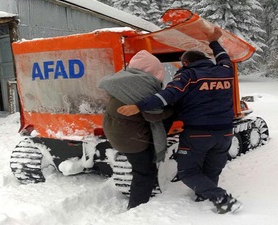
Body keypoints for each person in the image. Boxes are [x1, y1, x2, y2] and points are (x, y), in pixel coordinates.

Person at [117, 27, 242, 214]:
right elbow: (224, 56)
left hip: (198, 133)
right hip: (225, 132)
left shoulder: (188, 75)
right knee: (212, 168)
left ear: (185, 62)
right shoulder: (225, 71)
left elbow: (167, 94)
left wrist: (138, 106)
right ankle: (204, 195)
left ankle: (222, 198)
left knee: (187, 172)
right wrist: (213, 41)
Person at [98, 50, 173, 210]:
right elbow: (154, 116)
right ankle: (137, 208)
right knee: (144, 172)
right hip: (132, 138)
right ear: (154, 71)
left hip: (116, 132)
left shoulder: (122, 80)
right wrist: (173, 110)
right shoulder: (143, 86)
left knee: (140, 167)